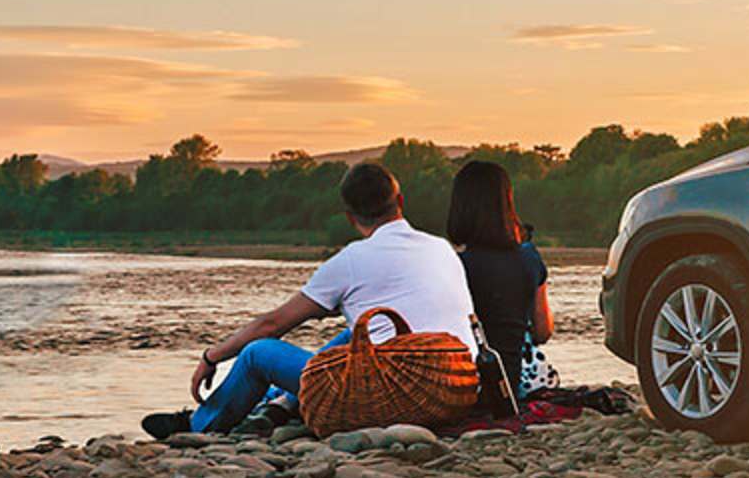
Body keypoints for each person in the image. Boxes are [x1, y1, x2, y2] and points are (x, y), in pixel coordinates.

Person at [141, 162, 472, 439]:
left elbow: (272, 324)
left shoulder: (351, 260)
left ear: (349, 217)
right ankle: (279, 403)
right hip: (457, 387)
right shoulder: (440, 247)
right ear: (400, 200)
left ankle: (198, 425)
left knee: (258, 354)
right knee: (351, 338)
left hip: (397, 394)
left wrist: (212, 356)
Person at [445, 160, 556, 399]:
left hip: (468, 384)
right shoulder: (529, 257)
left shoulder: (454, 265)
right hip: (518, 384)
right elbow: (543, 331)